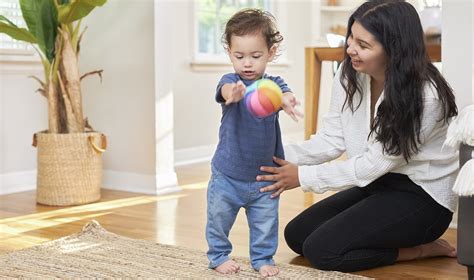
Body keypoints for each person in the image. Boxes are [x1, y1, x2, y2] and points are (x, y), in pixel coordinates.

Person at [256, 0, 459, 273]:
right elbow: (331, 139)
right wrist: (272, 152)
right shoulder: (349, 73)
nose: (351, 49)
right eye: (351, 37)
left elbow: (372, 165)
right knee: (297, 235)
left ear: (394, 49)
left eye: (364, 45)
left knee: (322, 251)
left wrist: (302, 177)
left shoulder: (425, 95)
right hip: (378, 183)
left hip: (422, 197)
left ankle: (421, 249)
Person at [205, 8, 302, 277]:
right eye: (239, 56)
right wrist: (232, 94)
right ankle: (218, 255)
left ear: (270, 53)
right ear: (230, 53)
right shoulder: (231, 82)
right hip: (227, 175)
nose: (247, 63)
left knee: (265, 223)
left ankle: (262, 258)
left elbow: (286, 94)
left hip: (263, 178)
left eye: (255, 56)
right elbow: (224, 91)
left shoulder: (273, 85)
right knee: (218, 219)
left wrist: (287, 100)